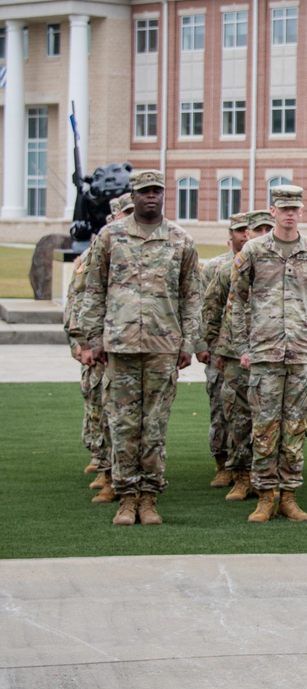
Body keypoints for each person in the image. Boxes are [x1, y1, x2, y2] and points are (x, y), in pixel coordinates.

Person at [77, 169, 201, 526]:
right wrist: (93, 338)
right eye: (144, 191)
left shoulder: (180, 240)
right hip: (121, 346)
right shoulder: (111, 236)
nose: (151, 196)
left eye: (157, 191)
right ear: (132, 196)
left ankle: (149, 498)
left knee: (155, 426)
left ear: (164, 195)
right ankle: (126, 497)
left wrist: (188, 343)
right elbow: (94, 289)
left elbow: (191, 296)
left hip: (163, 345)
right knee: (123, 424)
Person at [229, 185, 307, 523]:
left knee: (294, 428)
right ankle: (263, 496)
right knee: (264, 428)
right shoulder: (253, 250)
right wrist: (242, 348)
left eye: (295, 208)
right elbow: (237, 301)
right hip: (264, 353)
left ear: (302, 212)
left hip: (303, 353)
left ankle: (288, 495)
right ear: (272, 211)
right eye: (283, 208)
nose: (290, 213)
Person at [200, 209, 274, 503]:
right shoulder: (225, 269)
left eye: (266, 229)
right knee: (238, 418)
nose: (255, 235)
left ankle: (268, 478)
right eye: (254, 230)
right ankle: (242, 477)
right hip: (234, 357)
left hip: (271, 353)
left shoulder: (281, 268)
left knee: (269, 418)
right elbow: (211, 309)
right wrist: (215, 347)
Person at [65, 191, 133, 506]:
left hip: (136, 345)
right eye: (125, 213)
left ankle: (134, 475)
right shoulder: (96, 252)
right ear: (112, 218)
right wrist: (80, 341)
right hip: (103, 344)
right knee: (103, 408)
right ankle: (106, 468)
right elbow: (78, 298)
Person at [197, 216, 250, 488]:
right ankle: (222, 463)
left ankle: (249, 468)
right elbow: (206, 308)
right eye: (241, 230)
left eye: (253, 230)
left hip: (256, 353)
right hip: (223, 352)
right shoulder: (217, 267)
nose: (247, 235)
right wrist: (205, 345)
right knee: (221, 409)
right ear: (231, 234)